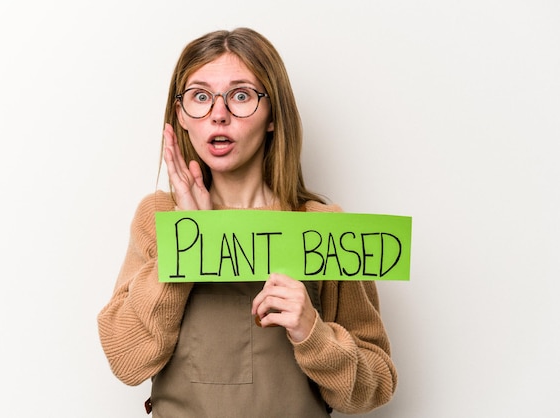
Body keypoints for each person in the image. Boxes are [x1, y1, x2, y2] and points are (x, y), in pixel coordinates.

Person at [97, 27, 397, 417]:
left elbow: (377, 386)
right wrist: (188, 242)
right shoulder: (157, 219)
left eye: (241, 96)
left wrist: (313, 333)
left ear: (273, 115)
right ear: (182, 117)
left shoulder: (324, 228)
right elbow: (127, 362)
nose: (218, 115)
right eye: (200, 97)